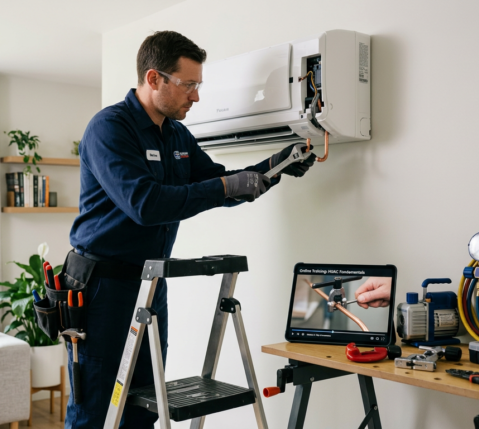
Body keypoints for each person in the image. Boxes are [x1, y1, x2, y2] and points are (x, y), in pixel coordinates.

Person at [65, 31, 315, 428]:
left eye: (198, 85)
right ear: (153, 78)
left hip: (150, 285)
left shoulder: (176, 135)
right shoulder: (109, 129)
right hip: (102, 289)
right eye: (188, 85)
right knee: (96, 410)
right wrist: (225, 186)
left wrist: (274, 168)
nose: (195, 96)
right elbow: (146, 205)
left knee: (144, 404)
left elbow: (217, 183)